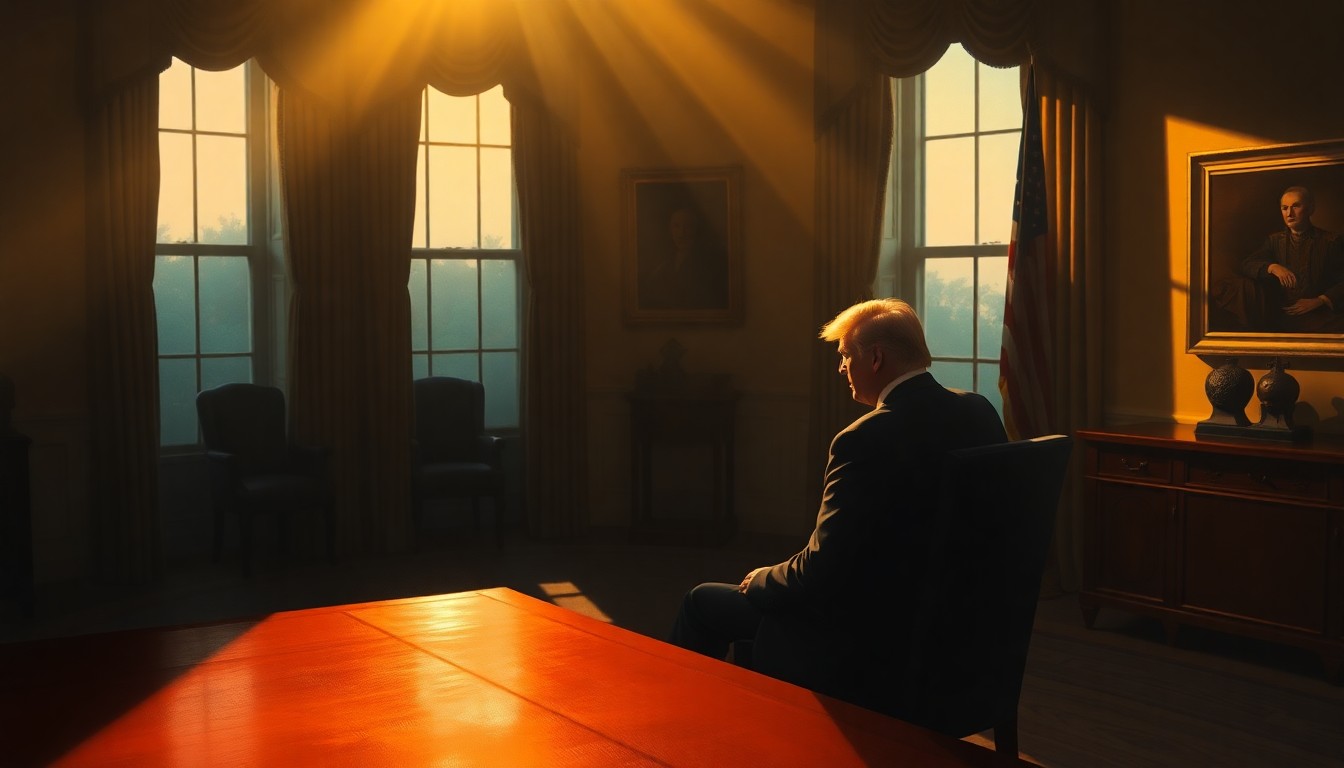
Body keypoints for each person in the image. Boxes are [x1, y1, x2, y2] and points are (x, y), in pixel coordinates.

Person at [667, 298, 1007, 714]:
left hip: (863, 651)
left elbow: (820, 571)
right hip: (958, 643)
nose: (841, 368)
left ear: (876, 358)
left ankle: (671, 730)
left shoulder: (863, 438)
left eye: (845, 356)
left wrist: (760, 579)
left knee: (701, 601)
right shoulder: (979, 411)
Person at [1222, 186, 1344, 333]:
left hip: (1319, 313)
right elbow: (1247, 264)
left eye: (1296, 206)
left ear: (1311, 209)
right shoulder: (1274, 241)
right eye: (1284, 208)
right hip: (1282, 314)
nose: (1289, 213)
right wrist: (1273, 267)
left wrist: (1321, 300)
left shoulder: (1331, 241)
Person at [638, 204, 728, 310]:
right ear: (670, 230)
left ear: (696, 230)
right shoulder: (665, 263)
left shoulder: (709, 263)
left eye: (688, 226)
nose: (682, 233)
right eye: (676, 226)